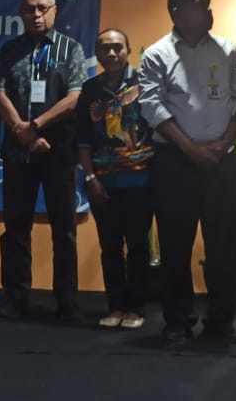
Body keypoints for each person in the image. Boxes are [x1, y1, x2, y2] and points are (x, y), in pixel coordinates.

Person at [138, 0, 236, 341]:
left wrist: (224, 144)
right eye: (201, 5)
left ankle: (221, 322)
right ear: (177, 13)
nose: (209, 10)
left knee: (224, 246)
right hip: (175, 161)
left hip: (222, 160)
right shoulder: (157, 54)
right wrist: (189, 148)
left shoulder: (228, 50)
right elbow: (151, 105)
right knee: (175, 244)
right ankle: (178, 321)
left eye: (208, 4)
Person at [0, 0, 87, 322]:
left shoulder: (71, 49)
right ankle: (16, 299)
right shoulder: (9, 49)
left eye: (42, 8)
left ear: (54, 11)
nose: (36, 14)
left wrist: (35, 126)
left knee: (65, 230)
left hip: (59, 154)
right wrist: (22, 132)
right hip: (19, 154)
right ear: (21, 13)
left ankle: (68, 302)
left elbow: (74, 98)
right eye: (29, 9)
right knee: (15, 229)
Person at [76, 29, 154, 329]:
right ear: (97, 53)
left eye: (117, 47)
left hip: (141, 182)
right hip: (103, 184)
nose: (111, 53)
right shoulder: (90, 89)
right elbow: (83, 140)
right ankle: (116, 307)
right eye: (104, 48)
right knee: (110, 248)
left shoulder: (146, 83)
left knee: (138, 247)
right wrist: (91, 178)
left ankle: (136, 309)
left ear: (128, 50)